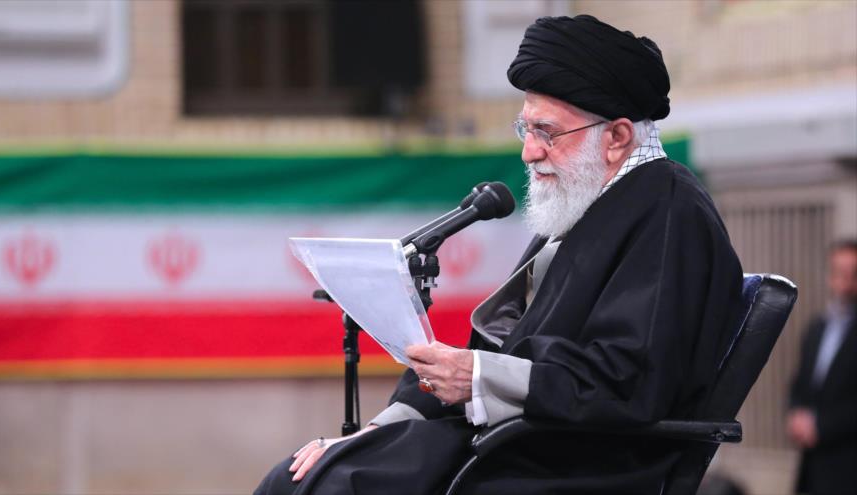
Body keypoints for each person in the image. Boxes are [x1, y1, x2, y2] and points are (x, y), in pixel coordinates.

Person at [255, 15, 744, 495]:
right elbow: (504, 345)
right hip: (518, 441)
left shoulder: (669, 211)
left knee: (335, 485)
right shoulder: (589, 203)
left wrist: (477, 376)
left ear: (616, 137)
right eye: (525, 129)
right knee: (303, 475)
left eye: (547, 132)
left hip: (574, 463)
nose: (529, 152)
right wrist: (382, 428)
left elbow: (627, 380)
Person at [787, 240, 857, 495]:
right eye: (839, 273)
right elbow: (800, 382)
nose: (845, 283)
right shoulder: (817, 327)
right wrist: (795, 413)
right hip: (813, 464)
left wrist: (821, 426)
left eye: (853, 274)